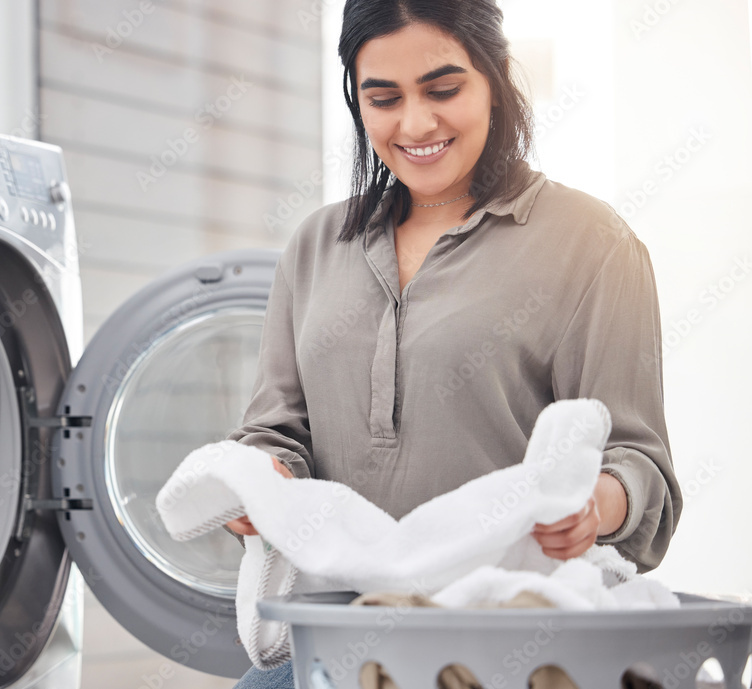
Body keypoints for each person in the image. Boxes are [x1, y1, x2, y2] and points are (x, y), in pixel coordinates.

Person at [225, 1, 682, 687]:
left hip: (511, 643)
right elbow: (276, 432)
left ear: (495, 77)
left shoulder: (592, 244)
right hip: (343, 636)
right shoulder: (317, 246)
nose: (416, 124)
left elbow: (640, 463)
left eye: (443, 89)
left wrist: (595, 502)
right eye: (384, 98)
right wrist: (260, 481)